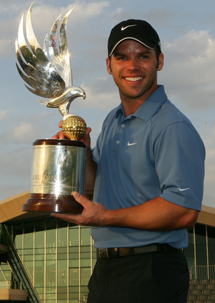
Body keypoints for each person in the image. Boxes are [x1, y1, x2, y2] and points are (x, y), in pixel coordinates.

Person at [52, 19, 205, 303]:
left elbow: (183, 210)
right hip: (108, 270)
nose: (132, 67)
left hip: (152, 272)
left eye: (142, 56)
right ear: (109, 65)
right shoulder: (112, 121)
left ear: (159, 61)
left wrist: (104, 217)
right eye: (122, 57)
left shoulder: (171, 126)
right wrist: (82, 155)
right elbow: (93, 191)